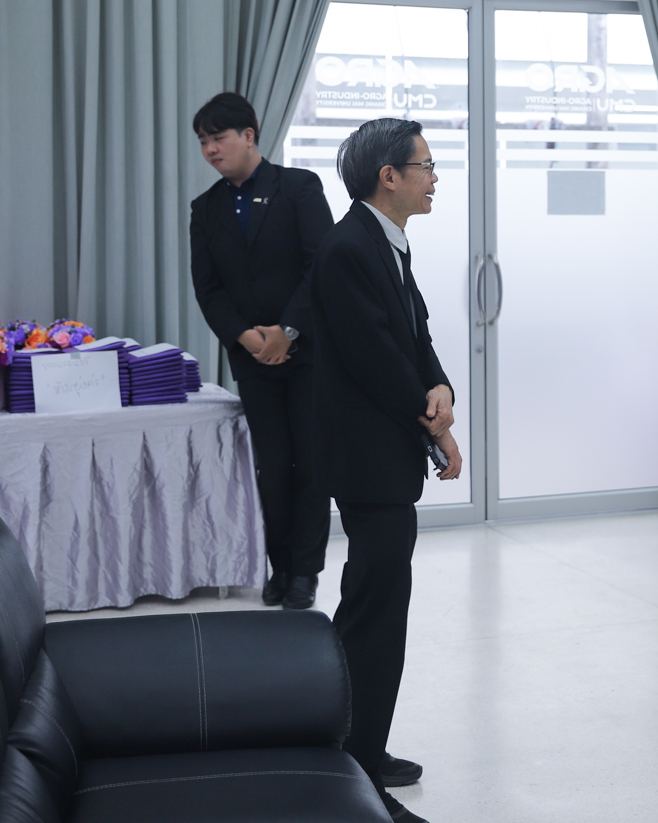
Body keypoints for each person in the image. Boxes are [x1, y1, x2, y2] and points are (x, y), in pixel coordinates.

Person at [310, 117, 461, 823]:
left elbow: (415, 336)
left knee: (377, 608)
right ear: (389, 176)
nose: (434, 179)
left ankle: (359, 747)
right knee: (373, 616)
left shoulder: (386, 242)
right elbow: (374, 356)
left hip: (386, 454)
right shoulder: (348, 248)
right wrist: (431, 419)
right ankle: (356, 768)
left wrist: (442, 389)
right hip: (367, 461)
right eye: (425, 166)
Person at [189, 91, 334, 610]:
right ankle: (279, 567)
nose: (210, 149)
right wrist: (248, 337)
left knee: (311, 466)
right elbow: (209, 290)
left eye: (218, 137)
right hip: (252, 359)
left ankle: (306, 573)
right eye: (203, 141)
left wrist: (287, 331)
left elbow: (322, 266)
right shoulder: (205, 208)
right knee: (271, 468)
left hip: (308, 354)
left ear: (248, 136)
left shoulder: (299, 187)